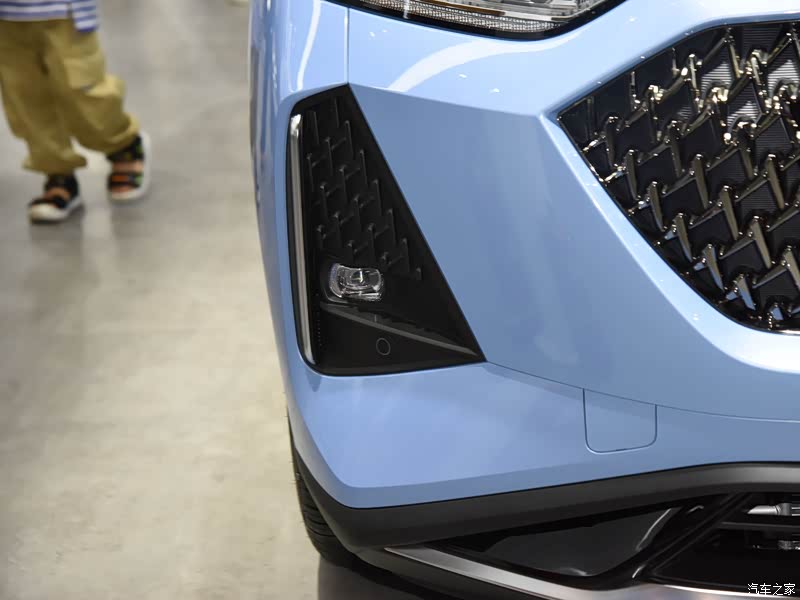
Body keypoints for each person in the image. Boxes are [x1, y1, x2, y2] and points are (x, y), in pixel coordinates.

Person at [0, 0, 150, 224]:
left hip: (64, 13)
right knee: (26, 101)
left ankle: (124, 146)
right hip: (6, 18)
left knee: (84, 94)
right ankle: (58, 174)